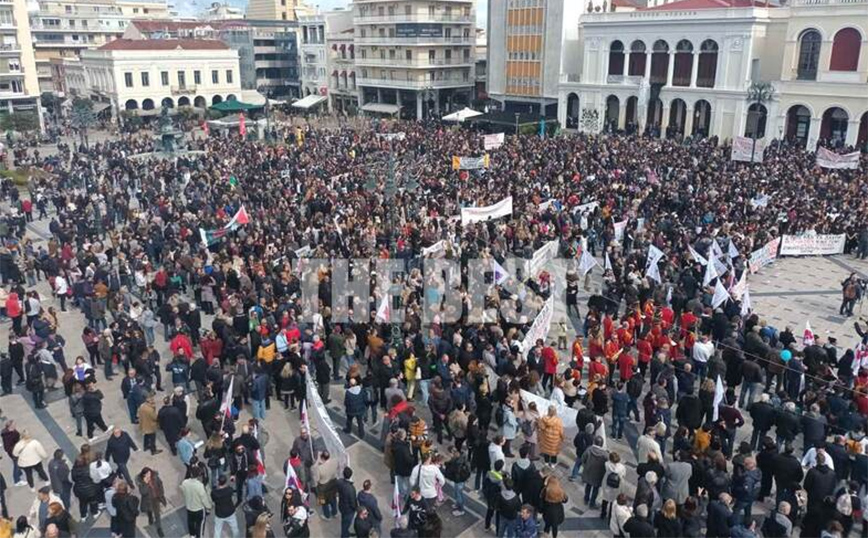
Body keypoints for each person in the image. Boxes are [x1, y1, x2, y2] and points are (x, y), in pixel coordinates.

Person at [180, 467, 212, 538]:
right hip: (199, 509)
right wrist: (209, 506)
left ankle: (192, 535)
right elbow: (204, 499)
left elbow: (182, 489)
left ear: (191, 474)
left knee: (190, 522)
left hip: (189, 507)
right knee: (200, 525)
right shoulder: (200, 486)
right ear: (198, 475)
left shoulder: (185, 483)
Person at [137, 467, 166, 538]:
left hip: (156, 499)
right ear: (143, 475)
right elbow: (143, 492)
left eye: (149, 473)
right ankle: (150, 517)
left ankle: (159, 528)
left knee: (157, 514)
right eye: (146, 474)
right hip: (148, 500)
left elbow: (160, 484)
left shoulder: (155, 477)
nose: (148, 475)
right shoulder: (141, 482)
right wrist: (145, 483)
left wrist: (161, 493)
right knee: (149, 510)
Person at [580, 436, 608, 508]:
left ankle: (586, 499)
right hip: (598, 475)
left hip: (588, 472)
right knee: (595, 490)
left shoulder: (589, 450)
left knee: (588, 486)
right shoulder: (605, 454)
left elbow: (583, 459)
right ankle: (592, 503)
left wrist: (585, 466)